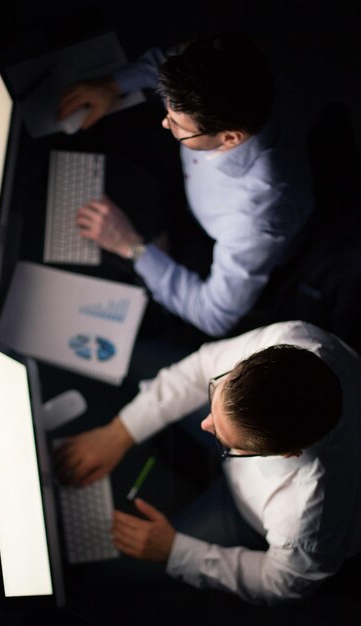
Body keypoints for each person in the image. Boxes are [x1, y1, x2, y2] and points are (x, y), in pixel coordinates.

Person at [53, 320, 361, 605]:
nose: (205, 423)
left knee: (106, 573)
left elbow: (281, 581)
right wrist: (120, 432)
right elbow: (202, 366)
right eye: (219, 391)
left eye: (226, 442)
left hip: (249, 517)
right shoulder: (291, 339)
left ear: (288, 453)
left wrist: (175, 552)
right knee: (125, 351)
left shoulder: (307, 515)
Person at [57, 32, 314, 337]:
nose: (166, 122)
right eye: (167, 109)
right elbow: (167, 64)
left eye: (178, 124)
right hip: (192, 187)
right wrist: (112, 85)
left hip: (218, 248)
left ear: (230, 137)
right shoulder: (232, 58)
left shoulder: (258, 217)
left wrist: (132, 246)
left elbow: (214, 315)